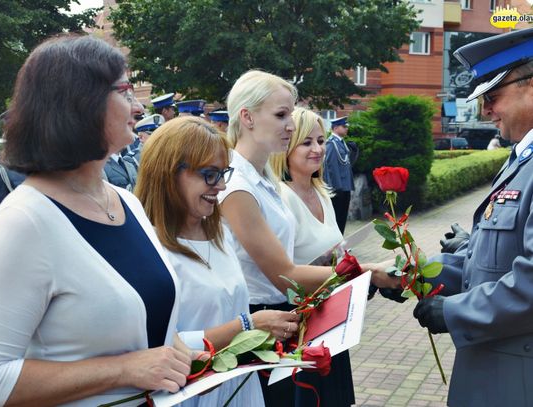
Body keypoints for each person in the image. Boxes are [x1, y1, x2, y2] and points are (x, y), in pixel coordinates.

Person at [0, 34, 191, 406]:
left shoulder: (127, 203)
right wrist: (122, 370)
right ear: (81, 102)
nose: (137, 108)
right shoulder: (23, 222)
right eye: (126, 91)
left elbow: (149, 331)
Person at [218, 69, 398, 406]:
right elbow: (283, 273)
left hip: (285, 316)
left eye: (290, 113)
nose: (290, 124)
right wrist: (369, 271)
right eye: (281, 114)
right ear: (247, 117)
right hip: (261, 321)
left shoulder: (263, 178)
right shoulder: (237, 185)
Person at [135, 116, 300, 406]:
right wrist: (246, 326)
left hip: (238, 390)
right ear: (168, 173)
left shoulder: (220, 233)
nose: (221, 186)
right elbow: (153, 348)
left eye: (224, 172)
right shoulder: (146, 248)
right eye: (210, 174)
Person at [413, 27, 533, 406]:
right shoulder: (522, 159)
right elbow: (497, 259)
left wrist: (453, 311)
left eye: (493, 96)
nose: (485, 111)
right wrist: (413, 274)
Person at [270, 106, 355, 406]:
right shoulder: (280, 198)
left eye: (321, 140)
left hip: (330, 322)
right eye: (307, 142)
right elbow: (279, 270)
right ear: (287, 147)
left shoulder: (322, 192)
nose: (318, 149)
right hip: (301, 328)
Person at [324, 117, 354, 234]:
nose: (346, 129)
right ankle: (336, 246)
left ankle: (340, 243)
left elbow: (346, 164)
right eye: (344, 126)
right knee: (337, 218)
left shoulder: (341, 143)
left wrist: (354, 152)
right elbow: (331, 167)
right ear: (335, 128)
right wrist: (337, 187)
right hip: (338, 188)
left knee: (342, 218)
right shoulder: (331, 144)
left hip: (345, 186)